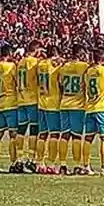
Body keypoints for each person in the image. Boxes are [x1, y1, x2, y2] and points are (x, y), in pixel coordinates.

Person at [83, 45, 104, 177]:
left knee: (88, 138)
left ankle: (86, 166)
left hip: (89, 108)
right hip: (102, 108)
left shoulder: (88, 71)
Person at [57, 44, 91, 175]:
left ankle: (63, 165)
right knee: (76, 136)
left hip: (64, 104)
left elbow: (60, 84)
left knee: (64, 135)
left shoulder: (64, 67)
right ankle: (77, 165)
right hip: (77, 105)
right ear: (81, 54)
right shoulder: (84, 67)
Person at [0, 44, 19, 173]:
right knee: (13, 134)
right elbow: (17, 82)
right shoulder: (12, 67)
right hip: (11, 103)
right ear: (10, 53)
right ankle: (13, 163)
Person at [13, 41, 42, 171]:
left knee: (21, 129)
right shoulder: (34, 62)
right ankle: (31, 159)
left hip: (21, 100)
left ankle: (19, 159)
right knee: (34, 129)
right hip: (32, 99)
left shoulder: (20, 63)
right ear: (36, 50)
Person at [34, 45, 63, 174]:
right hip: (53, 103)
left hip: (41, 103)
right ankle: (51, 164)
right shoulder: (56, 65)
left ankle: (39, 162)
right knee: (55, 134)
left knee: (42, 134)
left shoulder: (40, 65)